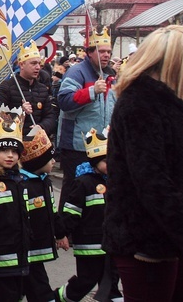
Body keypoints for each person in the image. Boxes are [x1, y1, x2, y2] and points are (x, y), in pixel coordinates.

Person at [104, 24, 183, 300]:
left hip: (172, 238)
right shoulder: (140, 104)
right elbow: (153, 182)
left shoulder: (167, 103)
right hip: (146, 241)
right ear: (175, 65)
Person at [55, 128, 116, 302]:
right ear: (95, 161)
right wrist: (63, 234)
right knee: (86, 281)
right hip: (88, 245)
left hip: (110, 244)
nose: (110, 164)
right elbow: (71, 212)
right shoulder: (83, 183)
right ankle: (61, 297)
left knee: (111, 280)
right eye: (105, 161)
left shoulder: (116, 181)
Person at [57, 27, 116, 206]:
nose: (106, 55)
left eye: (109, 52)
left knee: (96, 192)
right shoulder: (77, 72)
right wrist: (91, 92)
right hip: (77, 146)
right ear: (90, 52)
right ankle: (64, 232)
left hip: (102, 146)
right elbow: (64, 100)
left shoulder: (111, 75)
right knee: (73, 191)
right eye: (101, 51)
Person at [0, 113, 30, 301]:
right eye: (5, 151)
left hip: (20, 254)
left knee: (17, 294)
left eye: (15, 152)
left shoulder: (19, 180)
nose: (11, 155)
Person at [19, 127, 61, 302]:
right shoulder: (23, 185)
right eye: (48, 158)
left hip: (39, 246)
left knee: (36, 281)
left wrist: (61, 233)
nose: (53, 161)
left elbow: (52, 210)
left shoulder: (45, 182)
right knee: (32, 283)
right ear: (37, 161)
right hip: (27, 247)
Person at [0, 41, 57, 137]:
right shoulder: (7, 86)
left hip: (36, 142)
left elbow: (51, 116)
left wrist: (42, 126)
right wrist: (20, 112)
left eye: (39, 64)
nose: (38, 67)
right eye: (33, 63)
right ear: (21, 65)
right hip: (13, 141)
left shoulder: (42, 89)